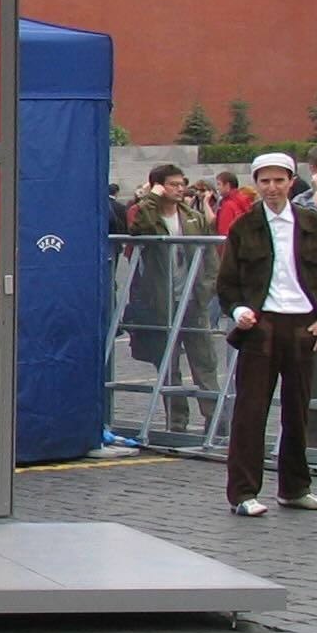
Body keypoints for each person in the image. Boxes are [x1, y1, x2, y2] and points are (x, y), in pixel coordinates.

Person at [215, 152, 317, 516]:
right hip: (260, 327)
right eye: (265, 181)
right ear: (256, 183)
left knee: (298, 411)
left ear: (292, 182)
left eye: (279, 180)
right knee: (250, 412)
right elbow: (227, 283)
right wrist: (240, 311)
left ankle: (295, 488)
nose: (272, 188)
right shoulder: (244, 227)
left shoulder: (313, 224)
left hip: (303, 326)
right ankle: (243, 493)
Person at [118, 163, 220, 434]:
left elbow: (210, 255)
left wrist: (207, 287)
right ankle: (176, 424)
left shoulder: (192, 217)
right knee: (168, 366)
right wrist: (151, 197)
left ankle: (215, 421)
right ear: (158, 186)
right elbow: (138, 228)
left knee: (205, 363)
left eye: (182, 183)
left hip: (193, 300)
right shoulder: (148, 214)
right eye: (173, 184)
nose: (180, 189)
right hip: (162, 301)